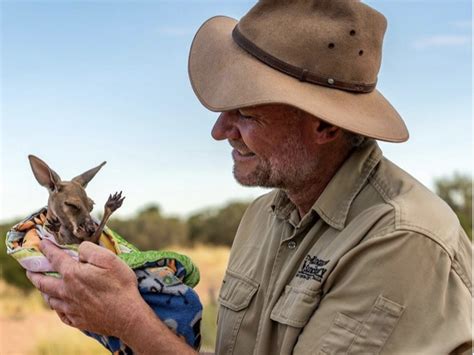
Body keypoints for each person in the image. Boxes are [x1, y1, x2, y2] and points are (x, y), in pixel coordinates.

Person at [27, 1, 472, 354]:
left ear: (325, 126)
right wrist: (129, 306)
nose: (219, 130)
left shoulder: (401, 239)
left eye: (246, 113)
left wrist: (131, 323)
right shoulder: (264, 216)